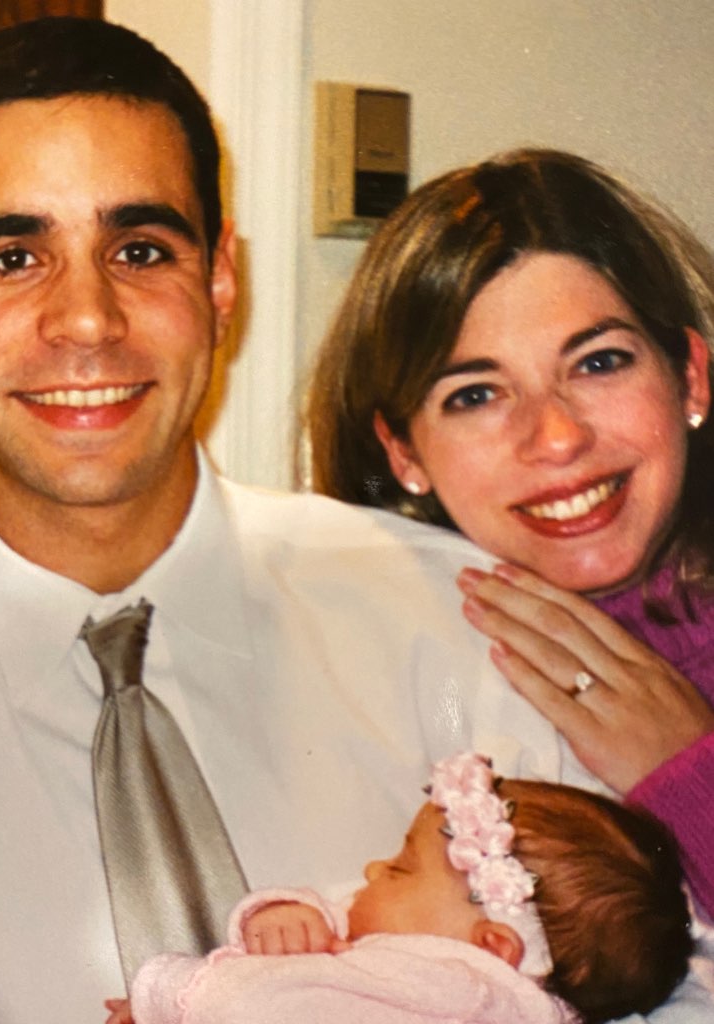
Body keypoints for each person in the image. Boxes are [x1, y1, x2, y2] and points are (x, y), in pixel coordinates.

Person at [0, 24, 710, 1022]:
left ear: (220, 280)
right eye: (13, 258)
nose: (87, 320)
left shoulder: (474, 622)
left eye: (140, 249)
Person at [304, 148, 714, 919]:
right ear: (401, 451)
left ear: (689, 375)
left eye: (598, 362)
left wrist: (687, 774)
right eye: (476, 394)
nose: (555, 437)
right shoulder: (358, 665)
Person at [105, 753, 690, 1024]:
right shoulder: (455, 977)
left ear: (491, 946)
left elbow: (259, 1005)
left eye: (403, 868)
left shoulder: (456, 990)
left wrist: (166, 994)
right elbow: (338, 943)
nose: (371, 871)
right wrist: (288, 915)